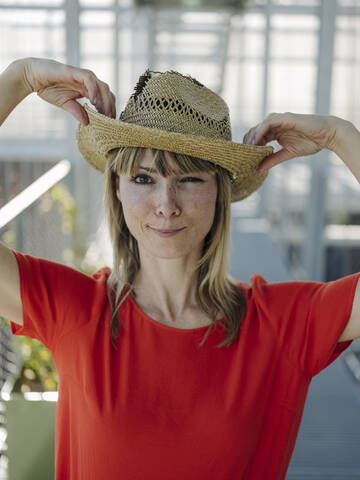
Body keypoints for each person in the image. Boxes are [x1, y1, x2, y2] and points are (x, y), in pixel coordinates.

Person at [0, 57, 360, 480]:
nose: (166, 206)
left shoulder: (280, 324)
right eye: (143, 179)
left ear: (218, 194)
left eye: (188, 179)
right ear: (116, 189)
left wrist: (342, 135)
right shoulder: (74, 310)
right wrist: (17, 78)